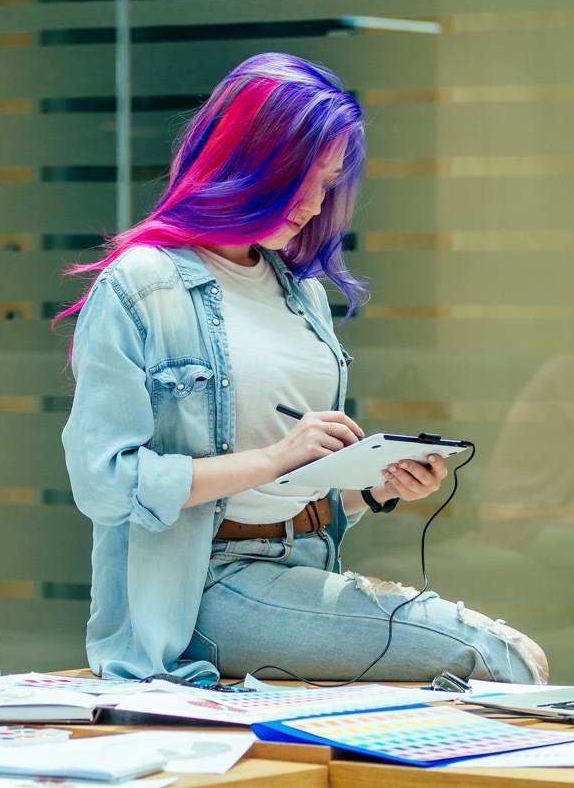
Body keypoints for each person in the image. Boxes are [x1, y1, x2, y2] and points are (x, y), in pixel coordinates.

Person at [58, 52, 547, 685]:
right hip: (202, 590)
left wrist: (373, 486)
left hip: (304, 561)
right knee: (497, 656)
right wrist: (273, 458)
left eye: (331, 182)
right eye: (307, 179)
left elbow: (294, 489)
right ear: (251, 161)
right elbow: (104, 483)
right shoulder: (141, 286)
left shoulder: (300, 293)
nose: (318, 205)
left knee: (504, 661)